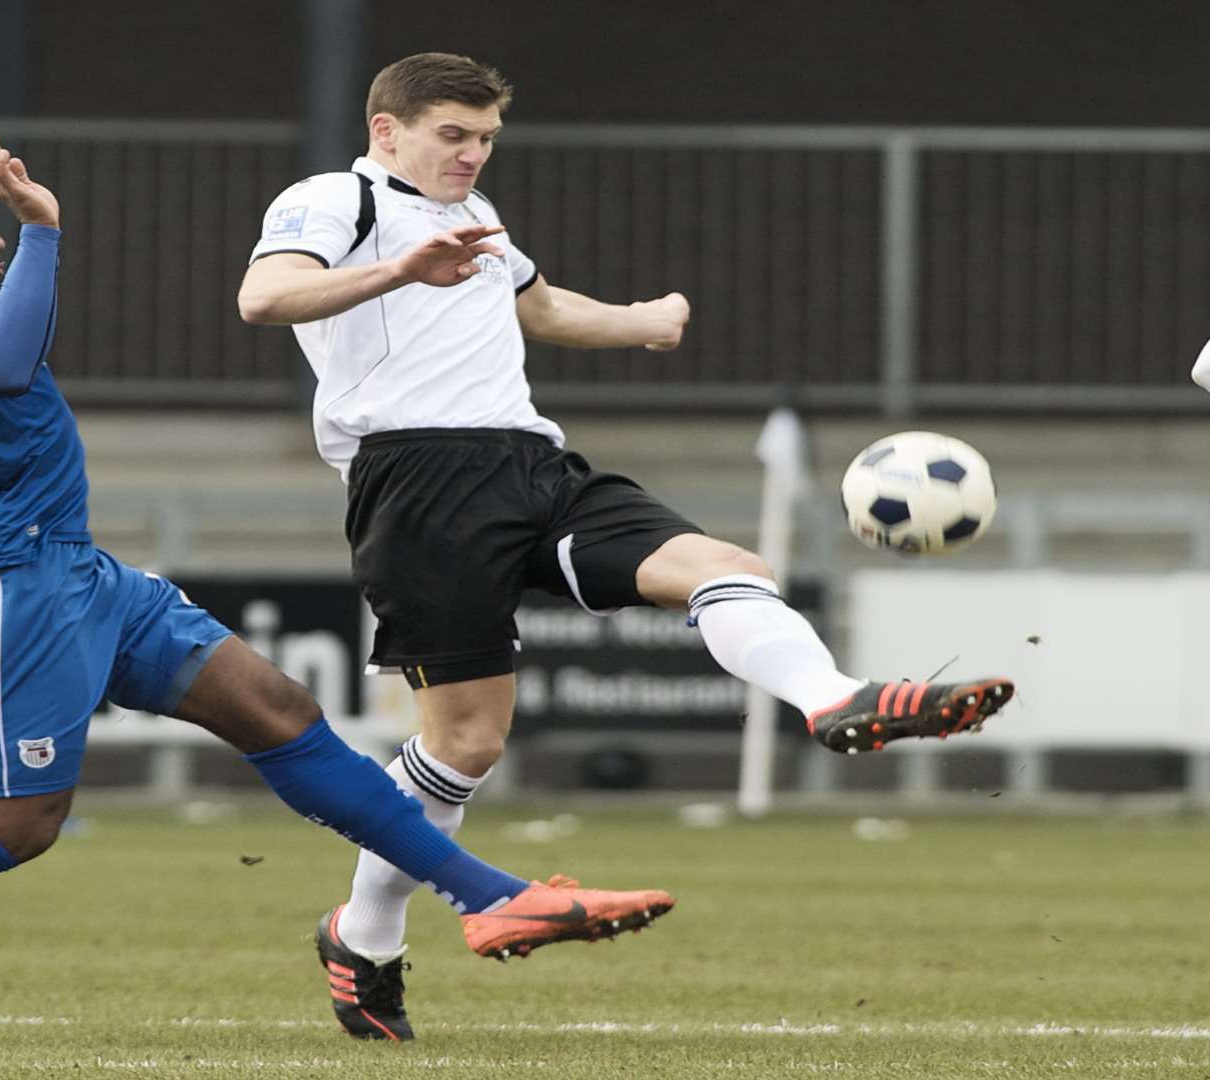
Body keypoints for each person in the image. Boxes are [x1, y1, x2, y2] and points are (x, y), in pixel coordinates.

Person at [0, 67, 677, 1045]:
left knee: (276, 711)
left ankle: (490, 898)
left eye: (1, 226)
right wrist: (44, 236)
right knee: (14, 827)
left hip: (72, 569)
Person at [237, 51, 1017, 1041]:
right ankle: (366, 933)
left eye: (485, 139)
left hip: (533, 463)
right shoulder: (335, 198)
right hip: (415, 481)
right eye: (454, 136)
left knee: (729, 567)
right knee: (466, 743)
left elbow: (539, 305)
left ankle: (834, 700)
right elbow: (263, 299)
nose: (473, 154)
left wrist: (643, 323)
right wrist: (398, 268)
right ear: (389, 130)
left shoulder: (477, 221)